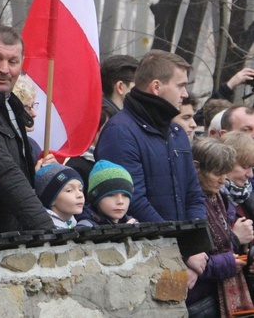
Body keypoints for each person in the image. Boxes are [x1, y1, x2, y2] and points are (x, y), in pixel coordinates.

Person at [95, 49, 205, 223]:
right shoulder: (120, 132)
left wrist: (194, 238)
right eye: (180, 85)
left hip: (182, 244)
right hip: (148, 245)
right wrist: (173, 241)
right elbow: (132, 200)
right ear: (156, 87)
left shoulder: (177, 133)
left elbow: (194, 194)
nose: (184, 94)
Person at [0, 25, 54, 234]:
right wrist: (47, 229)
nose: (4, 69)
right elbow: (5, 171)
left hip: (13, 228)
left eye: (12, 61)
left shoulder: (12, 104)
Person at [186, 138, 254, 317]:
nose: (223, 181)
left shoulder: (219, 198)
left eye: (225, 173)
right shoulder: (188, 204)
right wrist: (231, 258)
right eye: (218, 174)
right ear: (196, 168)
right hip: (200, 299)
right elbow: (195, 257)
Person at [80, 160, 136, 225]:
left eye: (125, 195)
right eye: (111, 195)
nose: (120, 201)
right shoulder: (85, 228)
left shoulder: (133, 223)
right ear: (95, 198)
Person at [34, 164, 87, 229]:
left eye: (80, 189)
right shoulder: (46, 231)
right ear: (51, 199)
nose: (80, 195)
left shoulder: (72, 223)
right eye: (69, 190)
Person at [220, 131, 254, 222]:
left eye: (252, 168)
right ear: (226, 162)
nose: (250, 174)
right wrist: (236, 235)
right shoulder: (213, 198)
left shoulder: (246, 195)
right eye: (245, 167)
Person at [12, 73, 42, 161]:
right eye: (26, 108)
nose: (34, 114)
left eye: (33, 106)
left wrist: (48, 170)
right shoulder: (3, 147)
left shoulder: (33, 145)